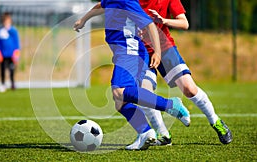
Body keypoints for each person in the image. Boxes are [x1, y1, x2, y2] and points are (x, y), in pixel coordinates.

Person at [74, 0, 232, 145]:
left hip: (163, 48)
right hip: (140, 51)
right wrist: (83, 19)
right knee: (142, 95)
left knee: (189, 89)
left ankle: (216, 122)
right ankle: (163, 135)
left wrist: (164, 21)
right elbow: (102, 5)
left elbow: (184, 23)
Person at [0, 12, 20, 92]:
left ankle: (12, 84)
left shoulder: (13, 31)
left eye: (8, 21)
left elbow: (16, 43)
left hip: (11, 55)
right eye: (5, 21)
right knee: (2, 70)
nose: (7, 23)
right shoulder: (0, 31)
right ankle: (3, 84)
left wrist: (16, 53)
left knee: (12, 70)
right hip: (3, 55)